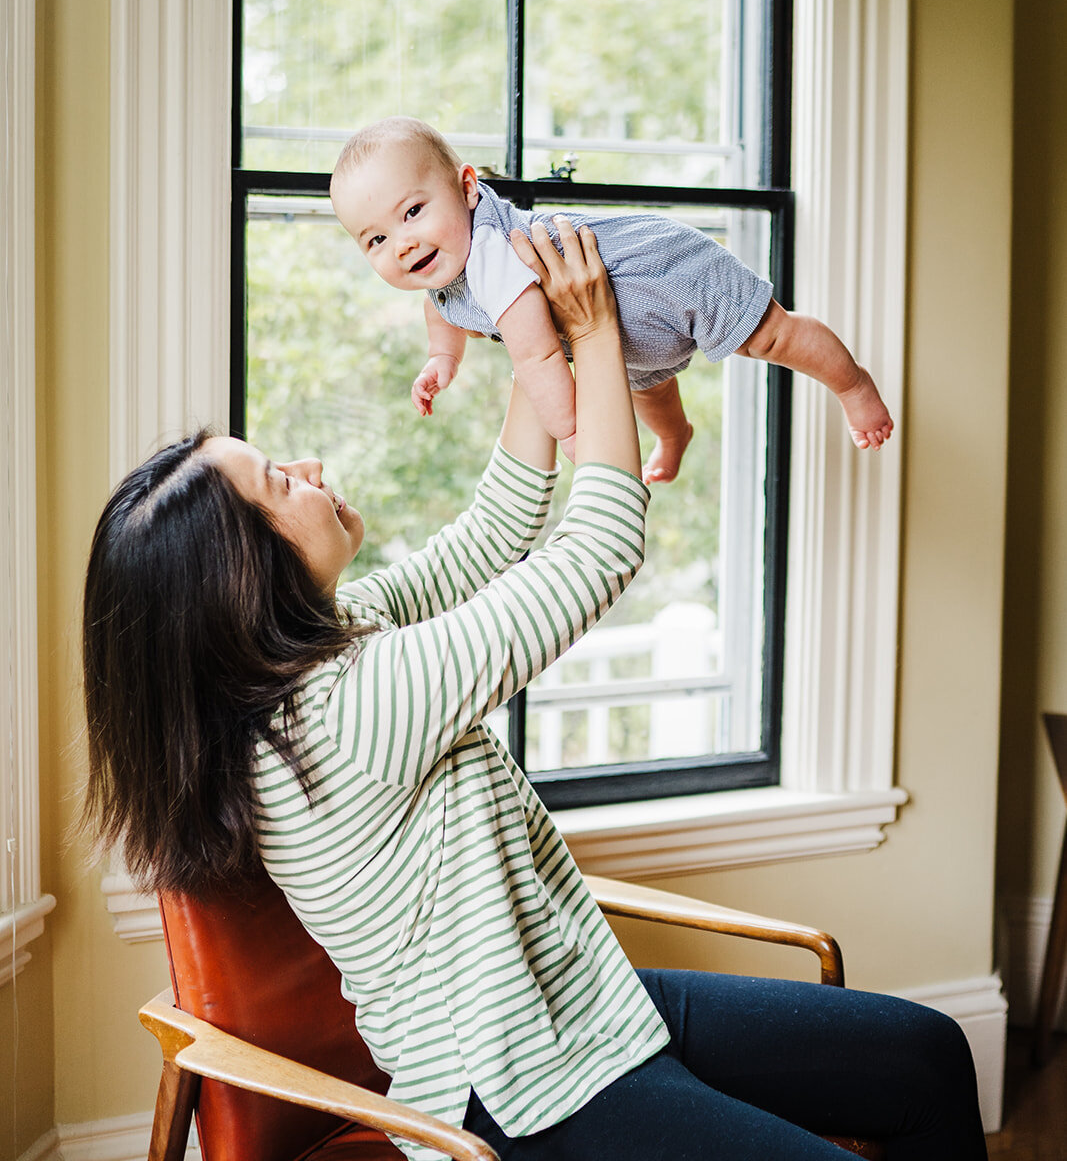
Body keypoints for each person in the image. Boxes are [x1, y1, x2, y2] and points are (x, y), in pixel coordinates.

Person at [82, 223, 981, 1161]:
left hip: (583, 997)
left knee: (926, 1055)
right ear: (240, 572)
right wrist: (594, 337)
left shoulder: (331, 645)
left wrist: (527, 321)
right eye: (278, 479)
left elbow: (494, 529)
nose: (306, 468)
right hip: (518, 1086)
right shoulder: (350, 708)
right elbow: (597, 549)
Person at [329, 118, 893, 484]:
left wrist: (580, 441)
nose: (402, 245)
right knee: (651, 386)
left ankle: (853, 384)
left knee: (774, 336)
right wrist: (442, 359)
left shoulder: (494, 255)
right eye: (376, 239)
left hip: (665, 275)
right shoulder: (445, 270)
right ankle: (675, 436)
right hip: (627, 337)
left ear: (468, 187)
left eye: (412, 212)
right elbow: (442, 309)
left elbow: (540, 360)